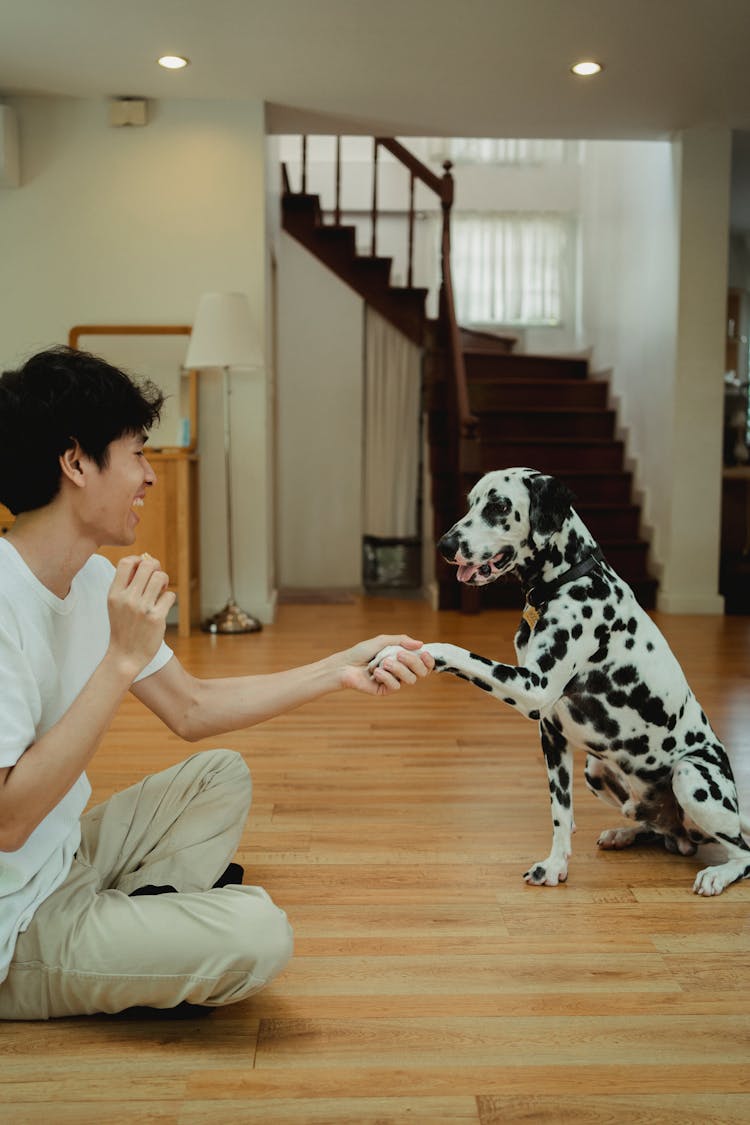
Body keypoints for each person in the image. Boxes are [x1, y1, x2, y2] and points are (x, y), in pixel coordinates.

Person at [0, 346, 433, 1020]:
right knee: (259, 933)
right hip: (14, 922)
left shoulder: (87, 579)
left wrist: (342, 665)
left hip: (64, 856)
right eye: (137, 453)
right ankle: (136, 931)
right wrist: (119, 662)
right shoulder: (3, 601)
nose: (150, 475)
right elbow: (7, 819)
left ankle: (137, 924)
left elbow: (192, 707)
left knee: (220, 773)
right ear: (76, 461)